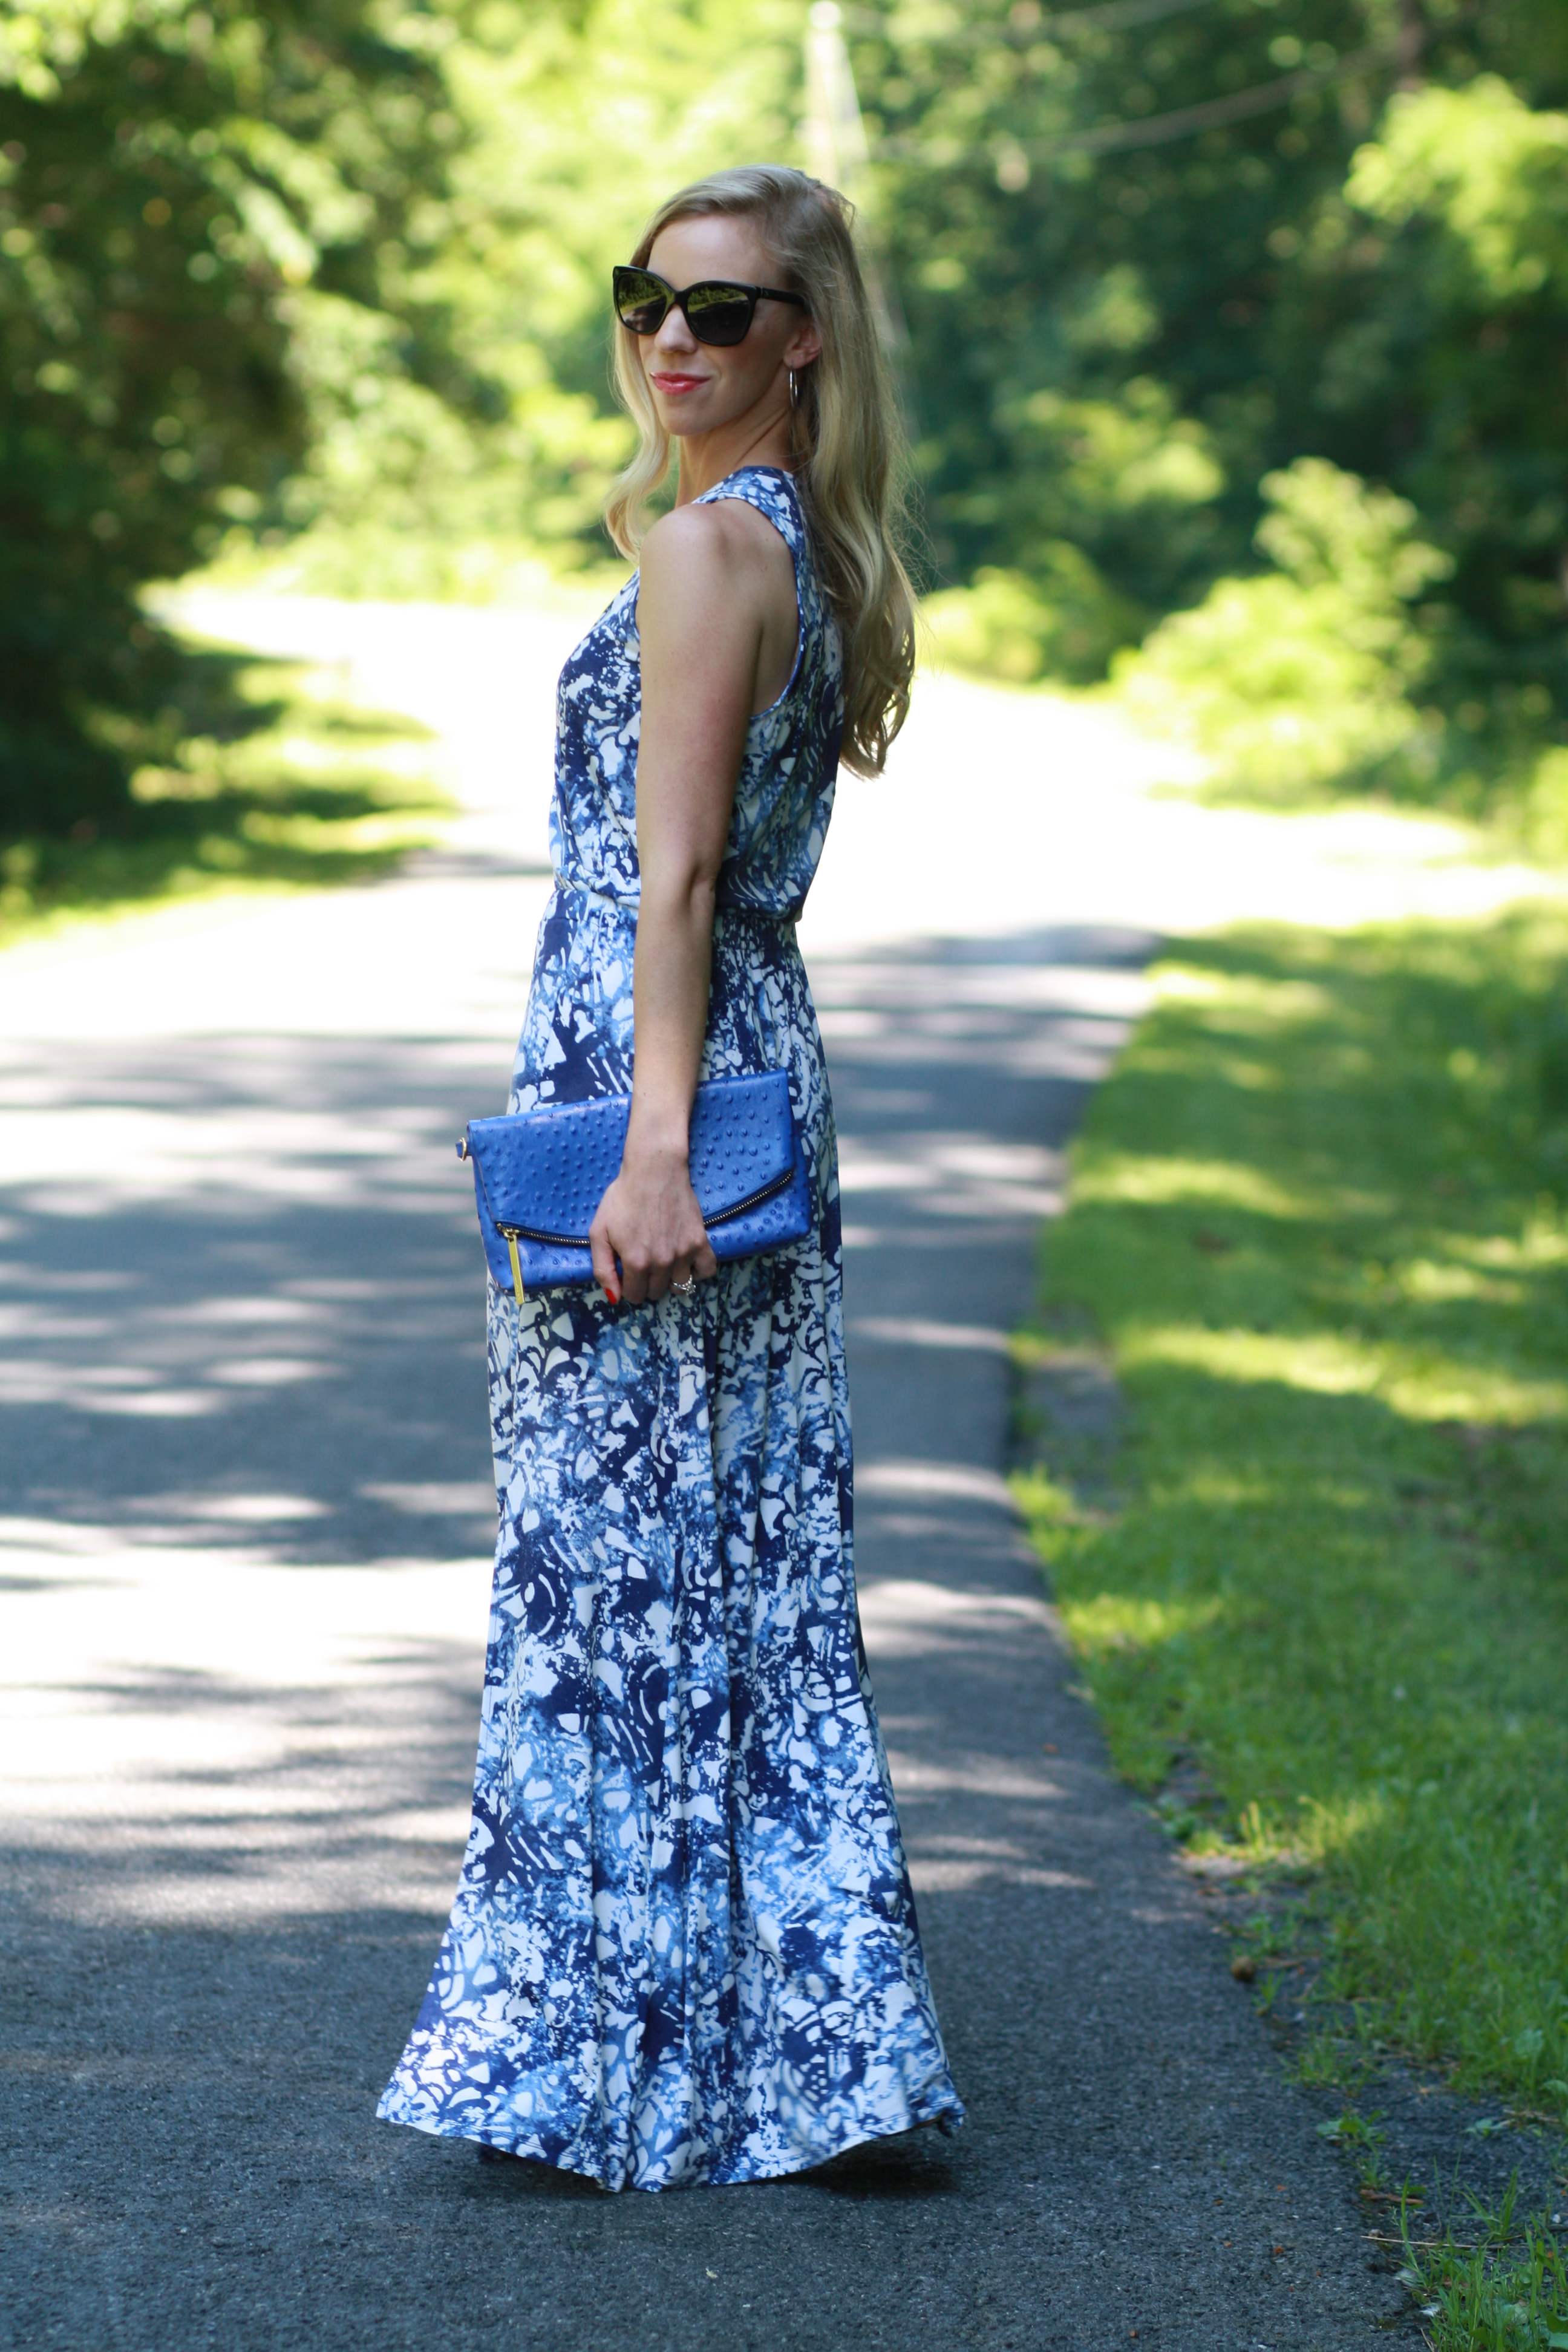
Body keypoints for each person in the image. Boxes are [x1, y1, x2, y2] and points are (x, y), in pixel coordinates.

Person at [377, 163, 962, 2192]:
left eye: (721, 313)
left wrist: (646, 1153)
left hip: (665, 1095)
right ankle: (793, 2057)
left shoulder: (719, 551)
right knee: (734, 1579)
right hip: (745, 1070)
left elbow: (685, 874)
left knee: (613, 1572)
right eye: (649, 300)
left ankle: (592, 2058)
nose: (672, 340)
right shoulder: (785, 538)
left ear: (803, 338)